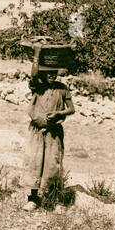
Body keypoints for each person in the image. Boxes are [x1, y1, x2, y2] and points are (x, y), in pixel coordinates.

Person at [24, 56, 75, 208]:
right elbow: (33, 75)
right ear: (42, 74)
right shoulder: (37, 86)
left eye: (54, 72)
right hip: (37, 131)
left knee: (52, 163)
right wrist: (37, 53)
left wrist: (59, 114)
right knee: (35, 162)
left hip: (54, 132)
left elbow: (71, 109)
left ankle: (52, 198)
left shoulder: (62, 88)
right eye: (48, 73)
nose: (52, 75)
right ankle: (33, 199)